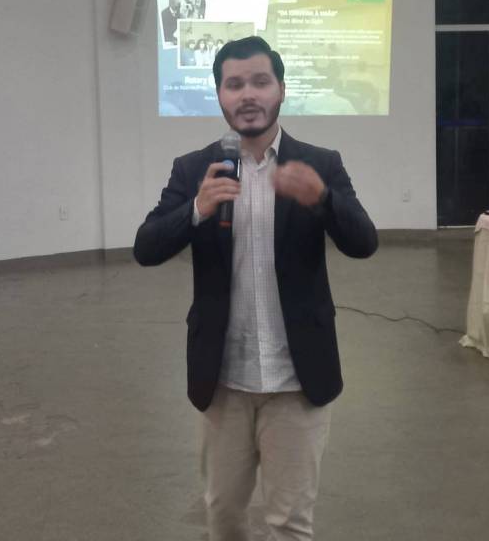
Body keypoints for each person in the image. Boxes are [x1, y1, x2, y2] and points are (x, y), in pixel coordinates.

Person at [134, 36, 378, 541]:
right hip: (223, 380)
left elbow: (364, 243)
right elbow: (146, 247)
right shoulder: (194, 168)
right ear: (219, 95)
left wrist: (324, 199)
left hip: (297, 379)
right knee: (223, 517)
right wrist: (195, 210)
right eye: (234, 84)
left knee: (290, 524)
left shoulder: (320, 163)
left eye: (260, 81)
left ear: (282, 89)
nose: (248, 94)